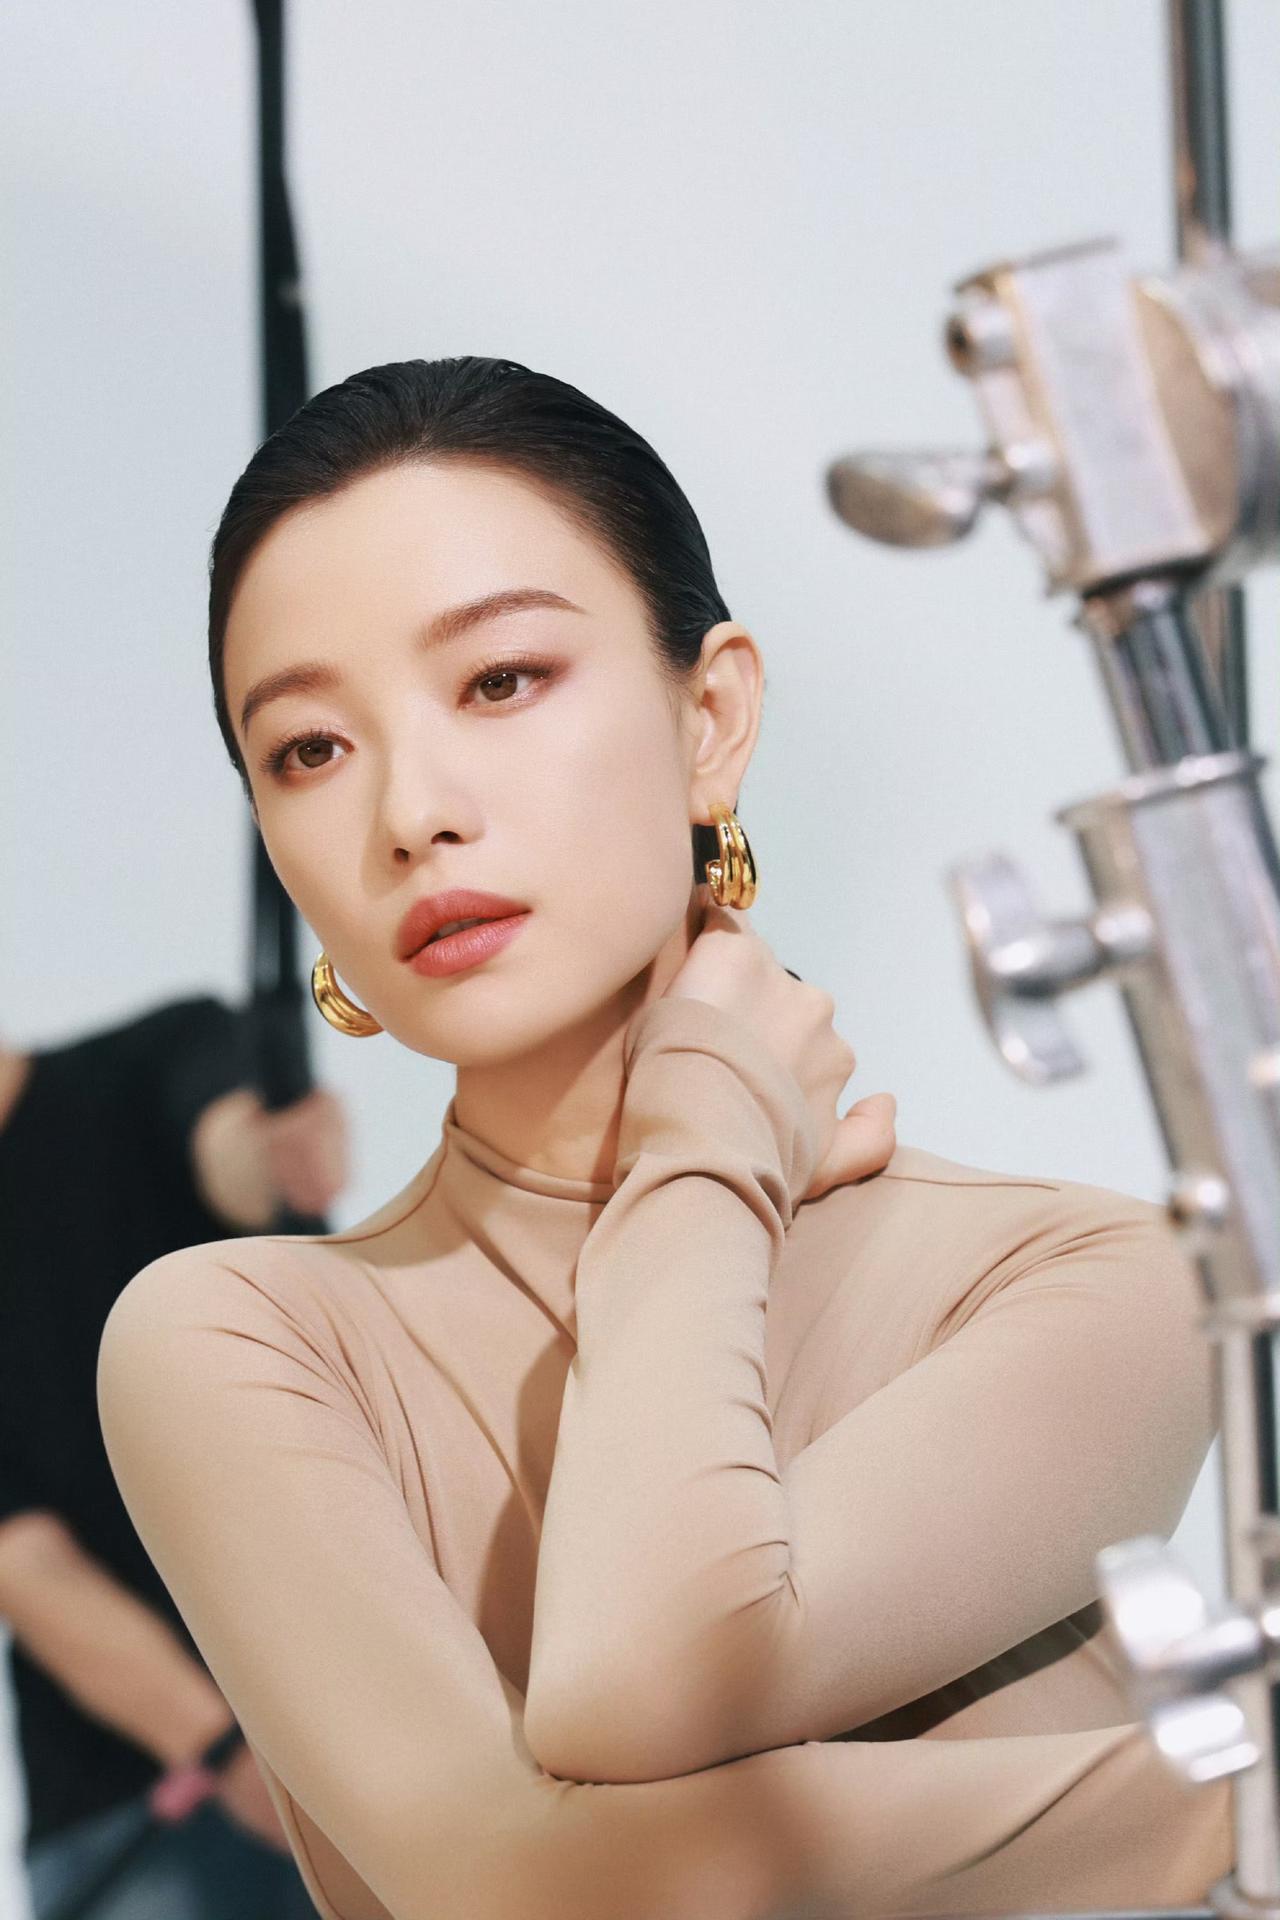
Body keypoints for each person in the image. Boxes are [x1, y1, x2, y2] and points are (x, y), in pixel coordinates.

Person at [95, 356, 1232, 1920]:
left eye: (501, 680)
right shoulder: (241, 1339)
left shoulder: (1090, 1274)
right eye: (310, 749)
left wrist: (697, 1162)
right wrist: (1224, 1795)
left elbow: (646, 1694)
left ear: (711, 716)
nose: (411, 812)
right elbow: (529, 1878)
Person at [0, 998, 347, 1917]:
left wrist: (273, 1153)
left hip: (370, 1728)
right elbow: (25, 1565)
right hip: (136, 1804)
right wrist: (226, 1753)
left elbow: (236, 1155)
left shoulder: (164, 1051)